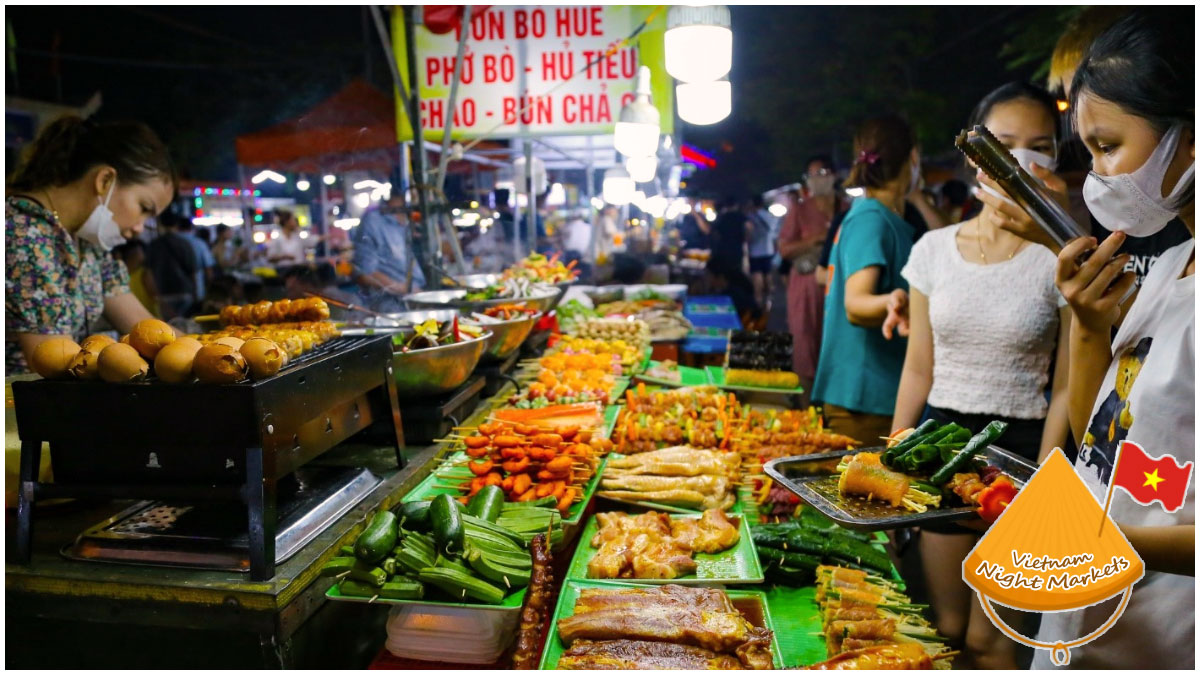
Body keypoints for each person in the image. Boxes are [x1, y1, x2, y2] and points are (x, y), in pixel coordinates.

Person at [888, 82, 1073, 669]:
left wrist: (1045, 482)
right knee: (943, 625)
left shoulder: (1063, 258)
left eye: (1039, 146)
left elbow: (1068, 382)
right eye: (1004, 143)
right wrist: (892, 453)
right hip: (939, 449)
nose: (1020, 161)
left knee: (991, 640)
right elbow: (919, 364)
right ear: (975, 153)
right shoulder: (933, 250)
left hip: (1021, 454)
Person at [1030, 12, 1194, 669]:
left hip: (1159, 637)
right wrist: (1087, 325)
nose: (1096, 175)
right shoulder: (1169, 268)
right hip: (1081, 625)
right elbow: (1095, 442)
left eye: (1107, 146)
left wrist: (1103, 542)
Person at [5, 116, 176, 373]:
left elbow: (144, 327)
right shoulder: (22, 234)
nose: (140, 227)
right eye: (143, 208)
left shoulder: (87, 244)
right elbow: (51, 363)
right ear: (104, 180)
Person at [812, 114, 920, 444]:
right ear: (913, 158)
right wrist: (895, 301)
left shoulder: (883, 219)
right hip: (863, 399)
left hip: (874, 395)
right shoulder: (871, 220)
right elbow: (856, 303)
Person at [780, 157, 839, 394]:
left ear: (833, 175)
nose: (817, 179)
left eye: (822, 172)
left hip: (837, 286)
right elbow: (784, 249)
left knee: (833, 343)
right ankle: (807, 407)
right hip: (805, 287)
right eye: (811, 175)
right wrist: (815, 240)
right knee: (805, 343)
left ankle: (831, 402)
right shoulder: (801, 209)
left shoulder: (845, 208)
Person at [352, 193, 425, 312]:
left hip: (416, 300)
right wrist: (406, 289)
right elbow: (365, 273)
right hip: (391, 307)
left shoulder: (408, 220)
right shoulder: (374, 221)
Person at [707, 195, 760, 324]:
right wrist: (745, 239)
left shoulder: (721, 218)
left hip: (722, 252)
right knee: (735, 274)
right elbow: (749, 229)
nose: (709, 282)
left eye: (710, 278)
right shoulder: (740, 216)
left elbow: (711, 232)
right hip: (736, 252)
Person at [147, 210, 198, 321]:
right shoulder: (185, 244)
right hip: (185, 291)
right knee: (187, 327)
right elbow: (193, 270)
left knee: (169, 329)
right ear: (176, 225)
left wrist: (156, 297)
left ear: (160, 224)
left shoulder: (154, 245)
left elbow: (148, 273)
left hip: (164, 294)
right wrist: (195, 293)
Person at [746, 194, 777, 312]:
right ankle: (769, 299)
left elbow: (748, 233)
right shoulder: (768, 215)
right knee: (767, 273)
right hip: (768, 249)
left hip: (755, 250)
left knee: (757, 275)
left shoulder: (751, 217)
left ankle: (758, 299)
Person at [115, 238, 160, 318]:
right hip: (147, 316)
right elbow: (155, 293)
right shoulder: (144, 273)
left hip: (136, 316)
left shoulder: (119, 276)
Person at [176, 217, 215, 302]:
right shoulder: (199, 243)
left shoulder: (167, 242)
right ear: (191, 228)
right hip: (197, 289)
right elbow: (208, 268)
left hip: (170, 291)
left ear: (177, 227)